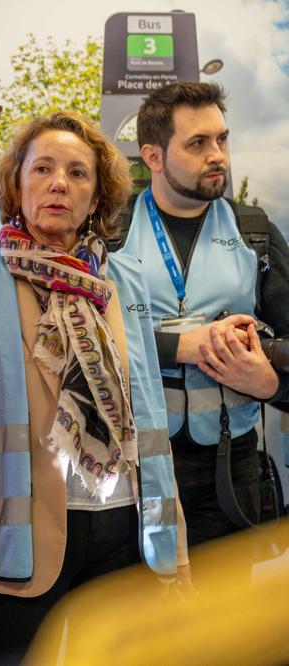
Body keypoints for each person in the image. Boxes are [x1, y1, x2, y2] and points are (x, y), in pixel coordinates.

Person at [0, 110, 190, 665]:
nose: (58, 184)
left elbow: (149, 418)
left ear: (96, 197)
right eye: (42, 168)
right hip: (21, 538)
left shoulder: (124, 282)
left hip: (123, 528)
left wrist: (173, 544)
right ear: (16, 184)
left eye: (77, 174)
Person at [113, 81, 289, 549]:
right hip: (130, 467)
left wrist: (271, 384)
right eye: (198, 143)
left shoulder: (255, 232)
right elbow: (77, 344)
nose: (218, 155)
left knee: (222, 622)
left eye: (222, 139)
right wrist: (178, 347)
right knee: (137, 618)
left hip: (230, 471)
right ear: (152, 156)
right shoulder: (112, 233)